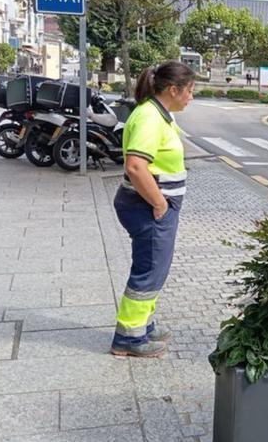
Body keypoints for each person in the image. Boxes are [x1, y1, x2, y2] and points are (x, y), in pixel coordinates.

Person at [110, 60, 195, 358]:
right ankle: (129, 338)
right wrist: (159, 203)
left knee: (155, 267)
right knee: (149, 270)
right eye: (189, 90)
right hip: (148, 206)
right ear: (173, 89)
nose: (191, 97)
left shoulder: (159, 114)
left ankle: (143, 324)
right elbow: (135, 165)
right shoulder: (149, 118)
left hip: (152, 206)